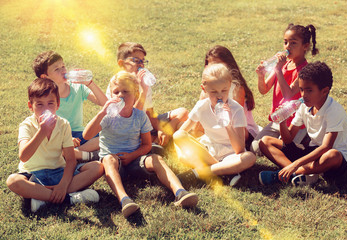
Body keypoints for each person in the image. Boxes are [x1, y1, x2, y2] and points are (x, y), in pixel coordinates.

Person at [84, 71, 198, 218]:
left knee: (156, 158)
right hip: (113, 164)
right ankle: (124, 200)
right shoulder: (107, 116)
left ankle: (180, 192)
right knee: (108, 159)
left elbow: (146, 145)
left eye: (126, 91)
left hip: (135, 160)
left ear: (136, 95)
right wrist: (102, 112)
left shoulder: (140, 116)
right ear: (110, 96)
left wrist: (132, 155)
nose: (120, 95)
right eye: (116, 92)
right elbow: (87, 135)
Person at [6, 78, 104, 212]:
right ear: (30, 106)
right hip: (34, 174)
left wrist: (63, 184)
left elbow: (70, 160)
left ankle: (42, 196)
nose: (45, 109)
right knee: (13, 181)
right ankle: (70, 198)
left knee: (97, 167)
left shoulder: (63, 124)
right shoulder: (26, 125)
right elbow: (24, 156)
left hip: (59, 172)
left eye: (50, 103)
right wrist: (42, 131)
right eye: (39, 104)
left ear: (58, 104)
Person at [258, 62, 347, 186]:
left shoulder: (334, 110)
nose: (304, 95)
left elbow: (326, 147)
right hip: (312, 152)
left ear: (324, 91)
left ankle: (285, 174)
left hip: (331, 158)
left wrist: (295, 164)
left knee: (333, 155)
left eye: (309, 90)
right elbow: (287, 140)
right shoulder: (304, 106)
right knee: (265, 141)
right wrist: (282, 121)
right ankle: (304, 174)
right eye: (301, 89)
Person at [173, 63, 256, 187]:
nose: (220, 96)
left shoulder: (236, 110)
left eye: (224, 90)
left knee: (249, 158)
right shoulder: (202, 106)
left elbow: (239, 149)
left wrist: (227, 125)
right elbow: (181, 133)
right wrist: (180, 155)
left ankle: (201, 172)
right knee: (179, 136)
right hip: (208, 150)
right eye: (213, 92)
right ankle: (224, 171)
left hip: (231, 154)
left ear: (230, 86)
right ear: (204, 89)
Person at [252, 23, 319, 155]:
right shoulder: (283, 65)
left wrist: (278, 70)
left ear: (305, 46)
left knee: (284, 151)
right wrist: (261, 76)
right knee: (255, 148)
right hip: (278, 120)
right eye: (285, 42)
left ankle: (304, 139)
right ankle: (300, 142)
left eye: (293, 43)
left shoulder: (305, 70)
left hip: (294, 124)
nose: (288, 47)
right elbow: (264, 89)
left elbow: (288, 95)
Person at [105, 42, 188, 147]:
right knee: (138, 137)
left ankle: (165, 135)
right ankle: (160, 139)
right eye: (136, 60)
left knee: (183, 112)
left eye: (143, 61)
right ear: (121, 63)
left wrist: (163, 129)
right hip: (127, 127)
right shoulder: (117, 85)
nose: (141, 65)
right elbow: (130, 117)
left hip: (143, 121)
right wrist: (143, 92)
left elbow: (149, 113)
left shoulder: (143, 81)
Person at [33, 51, 108, 161]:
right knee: (48, 144)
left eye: (63, 66)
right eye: (56, 69)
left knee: (104, 137)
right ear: (45, 77)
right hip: (56, 134)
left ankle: (73, 153)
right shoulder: (45, 97)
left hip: (78, 135)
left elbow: (104, 103)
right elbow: (44, 125)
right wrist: (66, 139)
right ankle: (77, 154)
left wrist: (89, 83)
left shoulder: (77, 87)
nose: (63, 70)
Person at [193, 45, 260, 150]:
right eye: (208, 66)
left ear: (228, 66)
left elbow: (237, 119)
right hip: (218, 126)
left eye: (217, 64)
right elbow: (200, 114)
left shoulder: (236, 88)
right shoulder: (209, 87)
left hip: (242, 128)